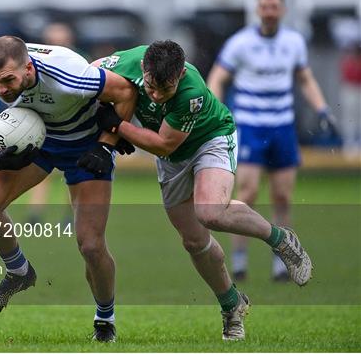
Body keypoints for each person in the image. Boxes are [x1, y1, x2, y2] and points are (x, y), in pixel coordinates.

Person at [94, 40, 313, 341]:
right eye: (150, 86)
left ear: (181, 74)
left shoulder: (191, 92)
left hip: (209, 141)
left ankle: (280, 239)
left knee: (210, 212)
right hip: (172, 161)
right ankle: (232, 306)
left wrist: (117, 125)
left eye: (164, 89)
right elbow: (89, 73)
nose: (155, 96)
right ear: (143, 67)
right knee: (194, 242)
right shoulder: (129, 61)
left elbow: (162, 143)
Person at [0, 35, 135, 342]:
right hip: (36, 145)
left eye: (9, 81)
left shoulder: (68, 74)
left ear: (28, 68)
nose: (1, 90)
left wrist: (106, 147)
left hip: (85, 147)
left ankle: (104, 319)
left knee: (91, 246)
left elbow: (125, 91)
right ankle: (18, 272)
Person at [206, 0, 336, 282]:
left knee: (282, 196)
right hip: (250, 127)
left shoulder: (294, 42)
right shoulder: (240, 43)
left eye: (274, 7)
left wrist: (323, 109)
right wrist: (217, 111)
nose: (269, 11)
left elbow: (305, 79)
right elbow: (217, 77)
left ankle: (282, 261)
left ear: (283, 10)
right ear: (257, 10)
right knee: (247, 193)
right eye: (264, 6)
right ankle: (239, 260)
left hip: (282, 127)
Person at [27, 22, 79, 227]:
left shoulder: (79, 63)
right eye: (52, 42)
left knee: (72, 172)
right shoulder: (35, 64)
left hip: (73, 127)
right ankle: (35, 214)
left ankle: (70, 216)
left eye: (62, 42)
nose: (57, 46)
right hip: (45, 125)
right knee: (39, 170)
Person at [339, 42, 361, 158]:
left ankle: (358, 143)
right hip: (350, 90)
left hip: (359, 89)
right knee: (349, 119)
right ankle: (349, 143)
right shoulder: (348, 61)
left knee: (359, 119)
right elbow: (346, 76)